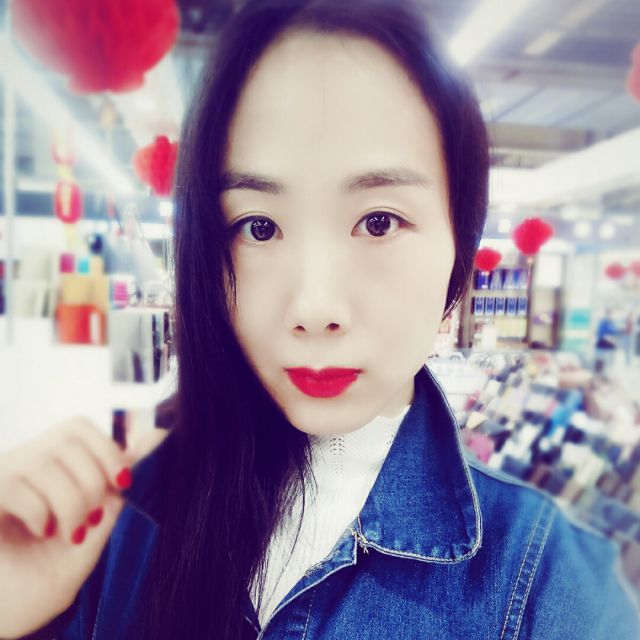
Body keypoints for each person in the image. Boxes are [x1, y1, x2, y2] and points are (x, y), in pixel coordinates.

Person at [1, 0, 639, 638]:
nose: (315, 309)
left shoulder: (553, 588)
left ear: (458, 241)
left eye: (379, 222)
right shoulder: (113, 523)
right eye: (259, 227)